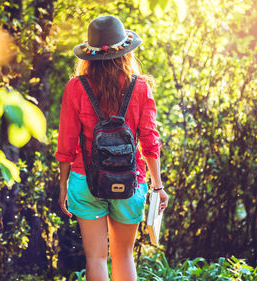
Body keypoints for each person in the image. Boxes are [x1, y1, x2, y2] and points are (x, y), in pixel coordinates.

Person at [55, 15, 169, 281]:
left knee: (96, 258)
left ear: (90, 54)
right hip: (130, 182)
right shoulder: (139, 87)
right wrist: (157, 185)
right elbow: (150, 141)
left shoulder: (76, 87)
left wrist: (63, 185)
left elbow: (66, 143)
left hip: (85, 181)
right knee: (124, 256)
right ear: (124, 52)